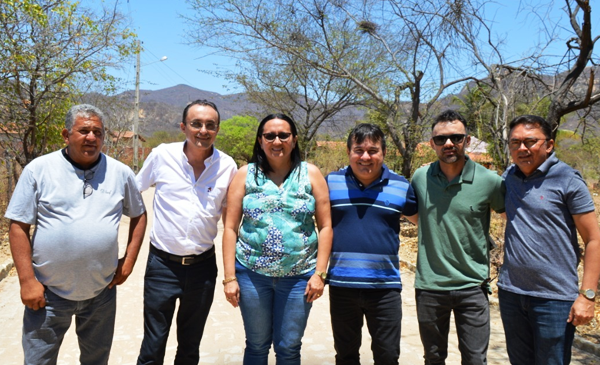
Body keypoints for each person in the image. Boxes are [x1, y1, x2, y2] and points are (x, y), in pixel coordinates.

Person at [5, 104, 147, 365]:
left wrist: (128, 262)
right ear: (66, 134)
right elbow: (18, 226)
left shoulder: (120, 173)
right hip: (47, 294)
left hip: (101, 292)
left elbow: (139, 215)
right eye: (83, 131)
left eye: (98, 132)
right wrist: (27, 281)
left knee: (96, 360)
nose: (91, 137)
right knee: (38, 361)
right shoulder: (39, 170)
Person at [222, 113, 332, 365]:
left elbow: (325, 227)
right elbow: (230, 227)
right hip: (252, 276)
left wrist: (320, 274)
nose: (277, 141)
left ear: (294, 140)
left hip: (299, 277)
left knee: (289, 347)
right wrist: (229, 278)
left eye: (284, 135)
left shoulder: (311, 174)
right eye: (269, 135)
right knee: (257, 346)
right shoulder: (245, 175)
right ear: (260, 141)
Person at [136, 99, 237, 364]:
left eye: (210, 125)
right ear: (183, 127)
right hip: (162, 267)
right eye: (196, 124)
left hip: (203, 268)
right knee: (152, 347)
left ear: (217, 129)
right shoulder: (161, 156)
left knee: (190, 347)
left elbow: (230, 222)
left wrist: (231, 275)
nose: (203, 130)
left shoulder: (227, 167)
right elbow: (135, 192)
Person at [498, 115, 600, 365]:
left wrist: (587, 296)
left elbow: (594, 240)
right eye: (515, 143)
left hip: (554, 299)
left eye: (530, 141)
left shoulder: (567, 179)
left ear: (549, 145)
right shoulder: (508, 177)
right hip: (511, 293)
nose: (522, 149)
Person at [410, 109, 505, 365]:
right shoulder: (420, 178)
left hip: (472, 287)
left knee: (475, 359)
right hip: (430, 286)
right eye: (441, 139)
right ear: (432, 144)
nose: (448, 143)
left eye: (456, 137)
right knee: (433, 357)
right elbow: (413, 213)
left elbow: (511, 218)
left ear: (468, 140)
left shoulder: (490, 181)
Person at [325, 123, 418, 365]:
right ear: (348, 153)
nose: (365, 157)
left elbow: (424, 223)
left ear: (383, 153)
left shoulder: (401, 186)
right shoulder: (330, 183)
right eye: (359, 150)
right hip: (342, 284)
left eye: (373, 150)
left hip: (385, 288)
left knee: (387, 356)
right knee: (345, 356)